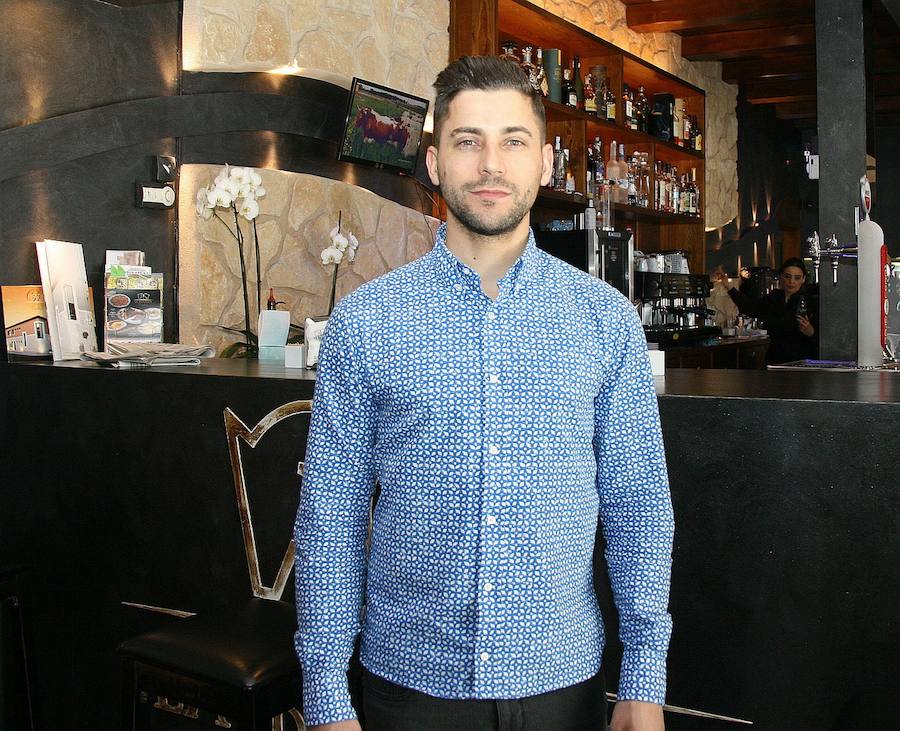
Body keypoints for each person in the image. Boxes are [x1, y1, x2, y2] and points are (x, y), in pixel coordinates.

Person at [294, 56, 674, 731]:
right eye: (468, 141)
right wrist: (326, 692)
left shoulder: (605, 319)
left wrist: (644, 674)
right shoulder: (365, 322)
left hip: (562, 682)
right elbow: (332, 513)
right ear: (435, 162)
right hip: (407, 687)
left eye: (512, 141)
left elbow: (638, 503)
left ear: (546, 163)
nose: (490, 164)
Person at [718, 258, 818, 364]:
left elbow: (824, 338)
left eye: (797, 278)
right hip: (775, 358)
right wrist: (729, 287)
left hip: (801, 360)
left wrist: (811, 332)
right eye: (787, 277)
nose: (791, 282)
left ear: (803, 279)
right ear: (781, 277)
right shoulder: (775, 297)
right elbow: (752, 308)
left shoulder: (810, 302)